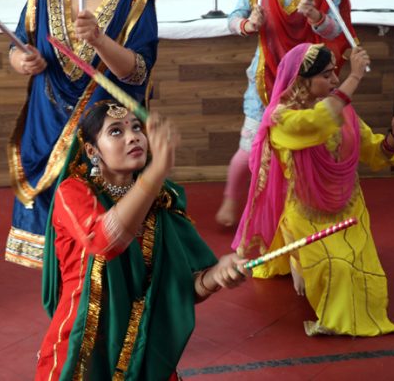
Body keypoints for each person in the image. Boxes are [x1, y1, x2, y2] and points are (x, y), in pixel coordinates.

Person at [37, 101, 248, 379]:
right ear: (91, 151)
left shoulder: (162, 201)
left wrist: (217, 276)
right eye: (115, 131)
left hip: (144, 347)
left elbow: (183, 288)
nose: (133, 136)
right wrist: (156, 171)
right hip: (83, 347)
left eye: (137, 127)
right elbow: (104, 242)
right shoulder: (73, 192)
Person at [5, 0, 159, 269]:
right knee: (58, 258)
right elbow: (17, 44)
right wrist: (22, 61)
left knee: (105, 243)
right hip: (46, 127)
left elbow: (137, 73)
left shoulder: (135, 1)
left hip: (104, 134)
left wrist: (100, 41)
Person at [232, 43, 394, 336]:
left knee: (359, 272)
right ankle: (298, 259)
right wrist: (356, 77)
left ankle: (304, 264)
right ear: (303, 79)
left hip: (349, 208)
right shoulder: (282, 118)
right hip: (305, 211)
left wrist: (393, 138)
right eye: (327, 75)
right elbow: (315, 122)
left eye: (336, 74)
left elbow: (373, 151)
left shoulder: (344, 111)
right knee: (337, 268)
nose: (336, 81)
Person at [216, 0, 354, 227]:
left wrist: (317, 17)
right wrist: (249, 24)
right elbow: (232, 20)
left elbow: (337, 31)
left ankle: (297, 210)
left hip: (309, 80)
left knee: (303, 145)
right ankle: (230, 200)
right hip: (265, 74)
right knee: (249, 144)